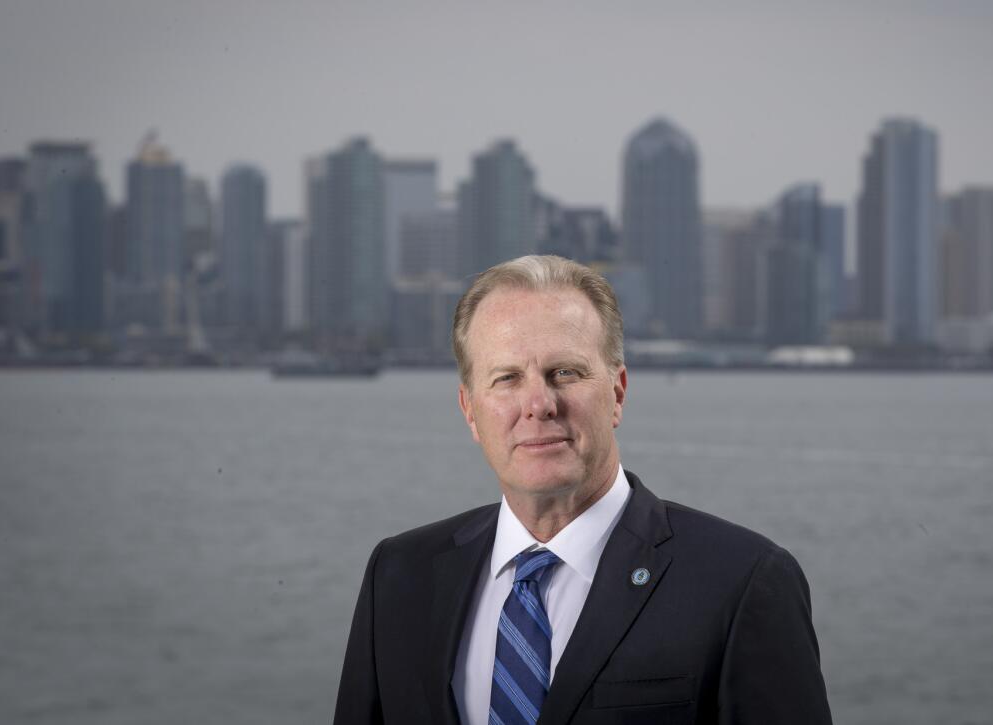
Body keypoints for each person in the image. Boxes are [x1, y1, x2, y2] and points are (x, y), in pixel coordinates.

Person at [333, 255, 832, 724]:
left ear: (617, 393)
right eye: (506, 378)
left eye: (565, 373)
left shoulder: (745, 581)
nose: (539, 404)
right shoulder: (399, 575)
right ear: (469, 410)